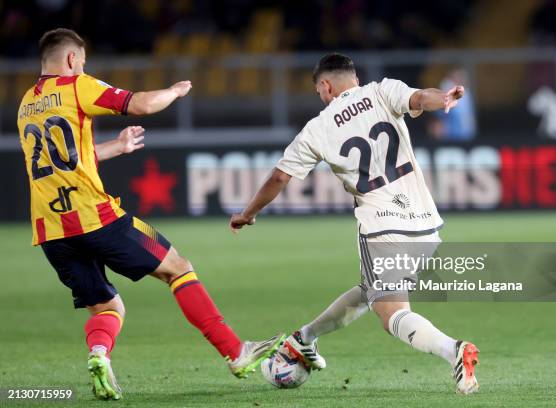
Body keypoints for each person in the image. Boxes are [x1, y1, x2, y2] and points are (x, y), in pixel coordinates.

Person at [17, 28, 284, 401]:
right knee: (178, 267)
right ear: (73, 60)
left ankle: (99, 355)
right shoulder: (77, 86)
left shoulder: (27, 102)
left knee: (107, 307)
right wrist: (173, 92)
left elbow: (68, 158)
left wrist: (116, 146)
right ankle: (235, 352)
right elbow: (139, 103)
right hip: (96, 216)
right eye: (83, 63)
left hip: (50, 232)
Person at [230, 53, 479, 394]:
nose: (321, 96)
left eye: (319, 91)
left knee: (391, 312)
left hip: (381, 224)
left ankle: (454, 350)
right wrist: (444, 99)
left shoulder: (318, 127)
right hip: (424, 222)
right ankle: (305, 338)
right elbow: (422, 97)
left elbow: (279, 176)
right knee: (370, 290)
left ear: (325, 85)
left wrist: (248, 213)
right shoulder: (382, 91)